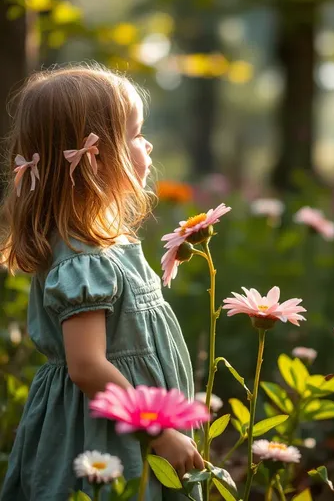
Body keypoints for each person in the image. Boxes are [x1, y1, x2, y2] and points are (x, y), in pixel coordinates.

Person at [0, 65, 204, 500]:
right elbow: (88, 366)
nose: (146, 144)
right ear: (96, 155)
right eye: (134, 134)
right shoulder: (83, 261)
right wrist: (155, 429)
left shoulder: (106, 247)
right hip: (101, 434)